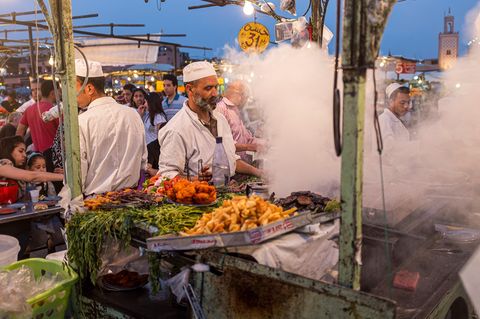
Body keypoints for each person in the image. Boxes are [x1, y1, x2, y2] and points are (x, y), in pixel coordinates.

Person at [158, 61, 262, 180]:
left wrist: (260, 173)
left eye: (216, 87)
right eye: (208, 88)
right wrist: (196, 179)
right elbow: (166, 175)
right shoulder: (176, 129)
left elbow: (231, 160)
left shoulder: (220, 120)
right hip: (199, 197)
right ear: (190, 89)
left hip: (226, 193)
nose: (215, 93)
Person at [75, 59, 147, 195]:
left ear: (89, 89)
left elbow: (79, 172)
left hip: (97, 204)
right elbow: (143, 161)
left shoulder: (82, 122)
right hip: (132, 200)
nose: (72, 96)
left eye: (73, 88)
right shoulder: (133, 114)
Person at [16, 80, 59, 172]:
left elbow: (19, 132)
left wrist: (20, 151)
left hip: (37, 156)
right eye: (58, 91)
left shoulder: (29, 109)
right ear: (52, 93)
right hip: (54, 156)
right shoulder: (55, 111)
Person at [216, 80, 263, 162]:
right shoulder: (220, 109)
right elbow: (222, 143)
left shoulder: (235, 110)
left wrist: (266, 144)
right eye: (246, 98)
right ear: (240, 96)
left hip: (243, 166)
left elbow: (246, 137)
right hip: (232, 167)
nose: (246, 101)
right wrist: (249, 147)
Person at [137, 92, 167, 171]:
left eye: (146, 101)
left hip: (155, 152)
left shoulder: (159, 118)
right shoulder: (147, 116)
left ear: (151, 103)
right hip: (148, 150)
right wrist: (140, 115)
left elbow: (161, 137)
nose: (145, 104)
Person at [378, 83, 411, 150]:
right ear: (391, 102)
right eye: (402, 103)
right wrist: (418, 145)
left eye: (408, 102)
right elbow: (388, 148)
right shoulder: (384, 120)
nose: (406, 106)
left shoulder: (397, 120)